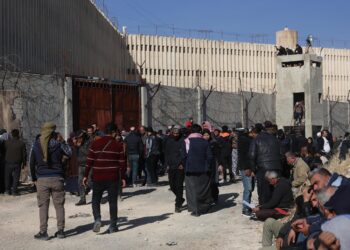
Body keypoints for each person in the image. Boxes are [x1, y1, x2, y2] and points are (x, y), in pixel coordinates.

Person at [30, 122, 72, 240]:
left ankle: (43, 232)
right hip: (57, 178)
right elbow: (69, 152)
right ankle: (61, 231)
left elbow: (31, 162)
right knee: (59, 206)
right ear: (53, 132)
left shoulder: (35, 144)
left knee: (43, 206)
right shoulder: (58, 144)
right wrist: (63, 141)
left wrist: (34, 178)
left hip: (42, 179)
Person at [83, 123, 127, 234]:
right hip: (113, 177)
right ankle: (113, 225)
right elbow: (122, 163)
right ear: (114, 132)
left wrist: (85, 175)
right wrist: (123, 177)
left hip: (98, 176)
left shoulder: (95, 143)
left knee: (95, 200)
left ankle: (97, 219)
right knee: (112, 202)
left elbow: (89, 162)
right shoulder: (118, 145)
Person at [182, 124, 213, 216]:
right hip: (203, 169)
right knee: (203, 189)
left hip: (190, 169)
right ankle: (203, 207)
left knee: (191, 190)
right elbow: (210, 156)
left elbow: (183, 156)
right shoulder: (204, 142)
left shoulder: (186, 141)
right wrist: (208, 166)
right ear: (200, 132)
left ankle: (194, 209)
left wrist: (186, 165)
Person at [248, 123, 282, 205]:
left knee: (263, 191)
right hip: (276, 167)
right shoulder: (275, 139)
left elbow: (251, 155)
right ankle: (275, 208)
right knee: (275, 189)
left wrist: (253, 169)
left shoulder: (256, 139)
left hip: (262, 169)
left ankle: (264, 209)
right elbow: (282, 154)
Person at [164, 126, 185, 212]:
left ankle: (178, 205)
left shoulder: (182, 140)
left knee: (179, 185)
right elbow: (166, 153)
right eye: (174, 133)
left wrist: (182, 163)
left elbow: (184, 153)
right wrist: (166, 164)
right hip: (171, 165)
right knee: (172, 185)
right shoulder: (169, 141)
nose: (176, 135)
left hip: (180, 166)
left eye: (177, 133)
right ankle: (180, 198)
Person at [236, 128, 254, 217]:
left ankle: (247, 206)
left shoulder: (244, 140)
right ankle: (245, 208)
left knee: (249, 188)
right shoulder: (244, 141)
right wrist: (247, 168)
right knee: (248, 188)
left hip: (247, 167)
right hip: (246, 168)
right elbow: (245, 156)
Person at [4, 129, 27, 196]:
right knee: (16, 177)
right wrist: (24, 163)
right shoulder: (21, 143)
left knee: (7, 177)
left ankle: (7, 191)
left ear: (11, 134)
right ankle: (14, 191)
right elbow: (24, 154)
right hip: (17, 163)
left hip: (8, 162)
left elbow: (3, 151)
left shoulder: (6, 142)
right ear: (18, 134)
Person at [75, 130, 93, 206]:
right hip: (81, 165)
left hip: (88, 165)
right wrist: (76, 147)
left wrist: (80, 147)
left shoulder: (89, 142)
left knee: (90, 182)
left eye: (80, 138)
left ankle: (97, 196)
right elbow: (77, 153)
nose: (79, 139)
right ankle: (82, 199)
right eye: (78, 138)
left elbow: (89, 153)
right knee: (80, 182)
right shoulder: (79, 143)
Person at [202, 129, 220, 204]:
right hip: (204, 164)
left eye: (207, 135)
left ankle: (215, 197)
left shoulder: (214, 143)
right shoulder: (201, 143)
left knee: (213, 181)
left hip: (213, 163)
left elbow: (217, 154)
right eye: (204, 135)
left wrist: (219, 164)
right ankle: (207, 198)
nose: (206, 137)